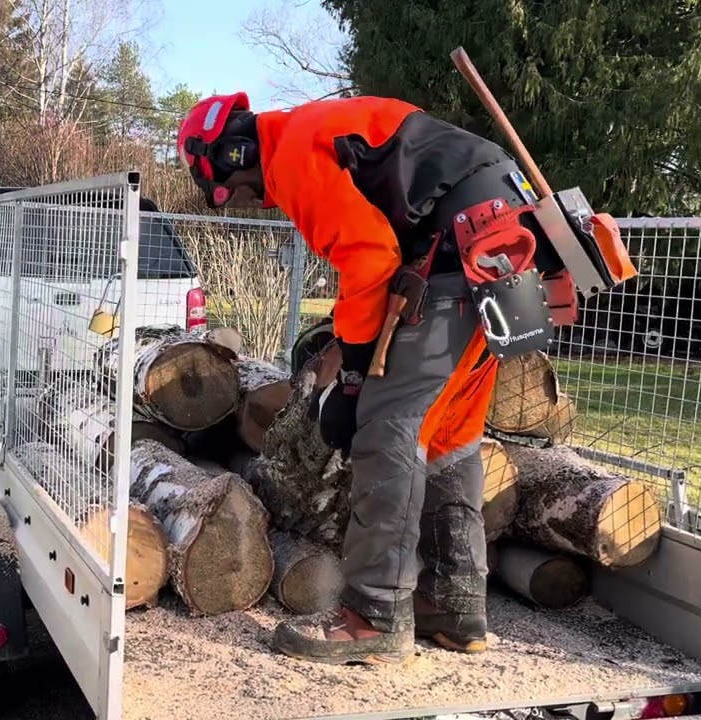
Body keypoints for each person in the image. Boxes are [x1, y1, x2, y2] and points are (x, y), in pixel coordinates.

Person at [176, 93, 535, 666]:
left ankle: (374, 618)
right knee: (449, 438)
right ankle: (455, 606)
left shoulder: (290, 152)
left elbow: (368, 257)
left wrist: (352, 374)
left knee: (388, 432)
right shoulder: (318, 129)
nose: (246, 199)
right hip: (501, 256)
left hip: (459, 255)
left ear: (229, 153)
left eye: (230, 188)